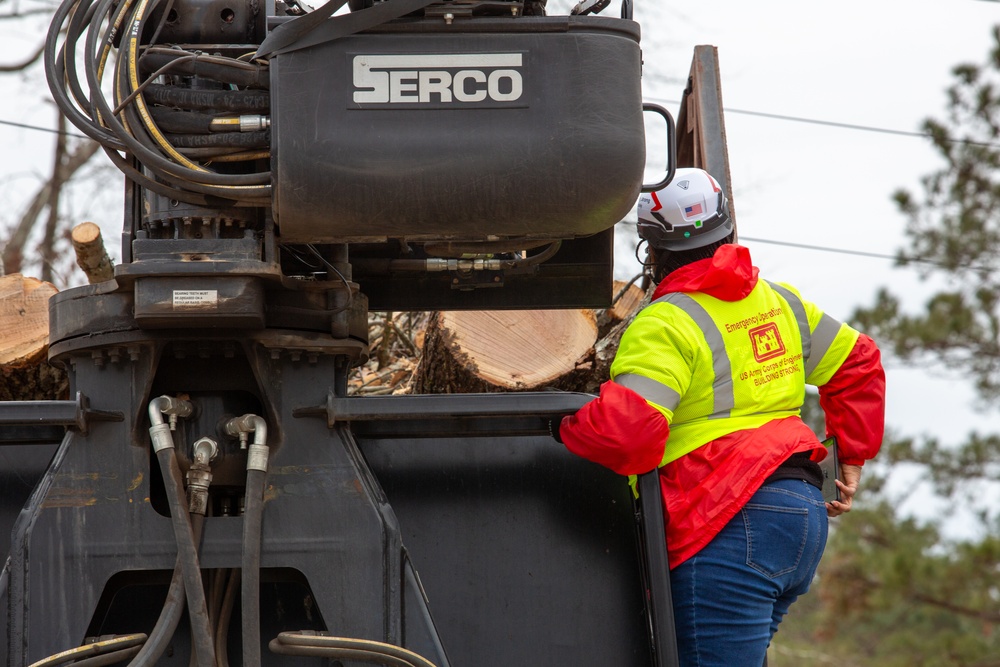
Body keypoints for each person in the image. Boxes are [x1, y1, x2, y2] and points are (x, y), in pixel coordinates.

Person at [552, 168, 886, 666]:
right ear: (727, 229)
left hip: (726, 518)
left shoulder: (665, 322)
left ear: (652, 249)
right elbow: (858, 360)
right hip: (800, 514)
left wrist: (560, 425)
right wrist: (851, 456)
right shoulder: (781, 304)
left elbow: (628, 436)